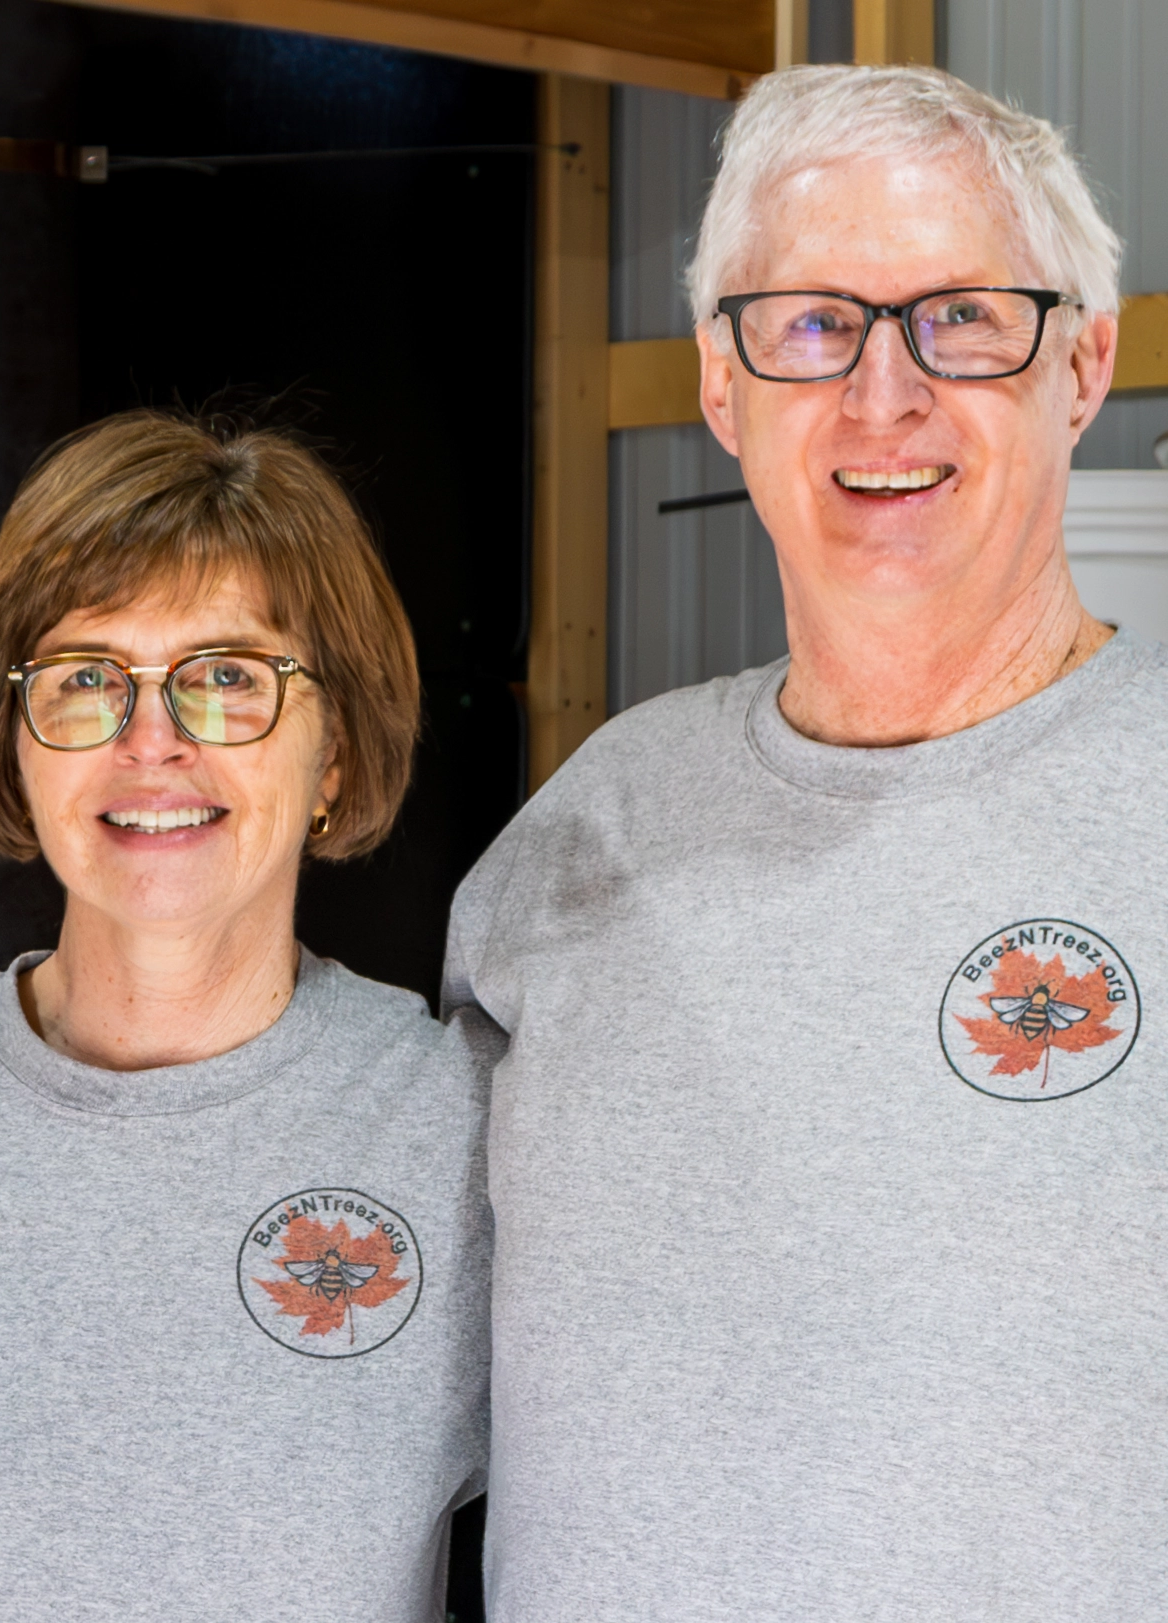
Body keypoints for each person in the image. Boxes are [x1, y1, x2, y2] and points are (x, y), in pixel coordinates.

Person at [445, 65, 1166, 1619]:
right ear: (723, 383)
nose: (881, 394)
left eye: (961, 316)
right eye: (814, 323)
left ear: (1083, 361)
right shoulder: (582, 834)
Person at [0, 410, 499, 1621]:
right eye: (86, 679)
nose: (152, 741)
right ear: (15, 744)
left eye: (228, 677)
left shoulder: (467, 1134)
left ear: (335, 752)